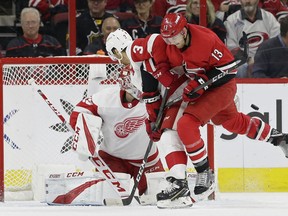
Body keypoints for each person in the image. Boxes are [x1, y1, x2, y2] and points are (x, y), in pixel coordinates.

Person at [69, 65, 165, 196]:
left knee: (158, 199)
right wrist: (85, 137)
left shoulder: (153, 99)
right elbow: (79, 112)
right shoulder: (107, 98)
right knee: (109, 199)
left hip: (147, 160)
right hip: (112, 158)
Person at [224, 0, 280, 77]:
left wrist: (260, 60)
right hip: (244, 62)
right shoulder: (231, 20)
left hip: (266, 60)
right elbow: (232, 48)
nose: (248, 1)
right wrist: (249, 60)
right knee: (239, 68)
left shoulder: (269, 18)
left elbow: (276, 44)